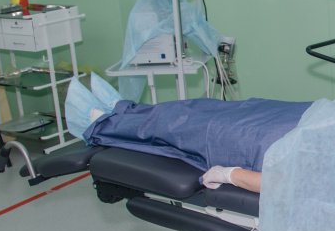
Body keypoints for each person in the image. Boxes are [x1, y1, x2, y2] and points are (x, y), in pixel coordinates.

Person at [65, 74, 309, 193]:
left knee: (191, 127)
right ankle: (125, 110)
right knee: (206, 109)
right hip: (297, 121)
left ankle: (101, 124)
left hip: (265, 145)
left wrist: (228, 174)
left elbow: (279, 183)